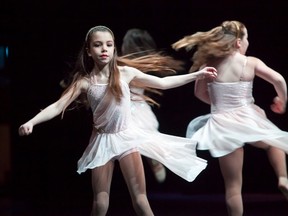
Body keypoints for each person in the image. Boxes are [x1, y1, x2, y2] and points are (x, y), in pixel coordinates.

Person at [18, 25, 217, 216]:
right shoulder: (85, 82)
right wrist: (31, 122)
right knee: (100, 204)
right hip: (102, 141)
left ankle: (155, 165)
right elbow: (57, 106)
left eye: (109, 44)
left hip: (127, 138)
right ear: (88, 50)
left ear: (114, 47)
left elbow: (163, 83)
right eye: (98, 45)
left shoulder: (126, 73)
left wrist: (197, 75)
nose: (104, 49)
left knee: (140, 200)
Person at [172, 20, 288, 216]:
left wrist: (218, 104)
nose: (248, 42)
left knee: (233, 187)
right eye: (247, 38)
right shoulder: (250, 62)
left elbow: (199, 93)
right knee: (273, 142)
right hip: (248, 117)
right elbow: (278, 79)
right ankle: (283, 178)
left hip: (222, 125)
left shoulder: (209, 64)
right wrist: (282, 101)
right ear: (238, 43)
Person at [121, 28, 170, 183]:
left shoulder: (124, 65)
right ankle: (152, 159)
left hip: (131, 111)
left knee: (136, 141)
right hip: (135, 109)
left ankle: (152, 159)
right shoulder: (140, 64)